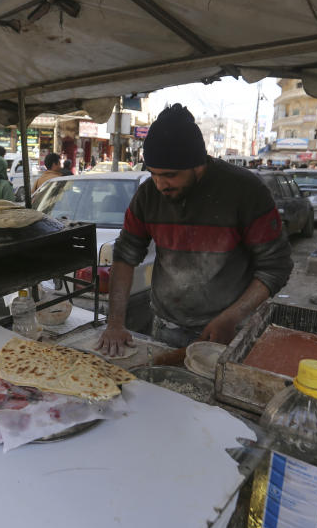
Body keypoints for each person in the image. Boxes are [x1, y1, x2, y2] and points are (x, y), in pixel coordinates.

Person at [96, 104, 293, 356]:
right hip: (167, 326)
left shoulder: (246, 192)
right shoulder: (148, 195)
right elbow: (125, 256)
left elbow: (276, 267)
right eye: (153, 174)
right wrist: (115, 323)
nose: (160, 185)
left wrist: (231, 317)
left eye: (170, 175)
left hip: (230, 331)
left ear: (198, 165)